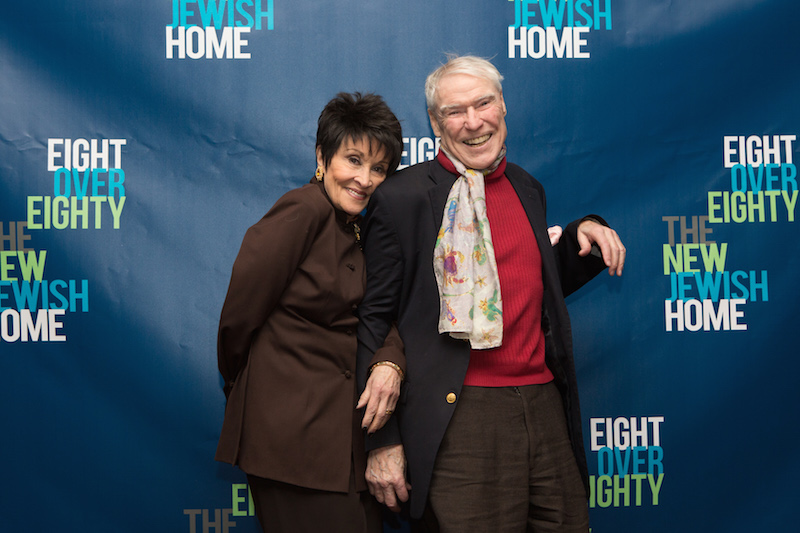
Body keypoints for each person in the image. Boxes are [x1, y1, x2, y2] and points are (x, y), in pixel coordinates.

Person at [356, 56, 626, 532]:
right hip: (461, 414)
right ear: (436, 124)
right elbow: (374, 321)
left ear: (503, 106)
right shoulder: (403, 198)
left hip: (544, 404)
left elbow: (523, 288)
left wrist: (588, 230)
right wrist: (382, 442)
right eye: (455, 111)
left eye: (484, 103)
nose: (474, 121)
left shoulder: (527, 187)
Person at [215, 92, 405, 533]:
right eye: (353, 160)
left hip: (342, 444)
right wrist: (255, 392)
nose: (365, 178)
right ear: (322, 157)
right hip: (289, 442)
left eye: (379, 168)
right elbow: (239, 318)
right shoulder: (303, 209)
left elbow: (376, 314)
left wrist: (389, 358)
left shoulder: (360, 227)